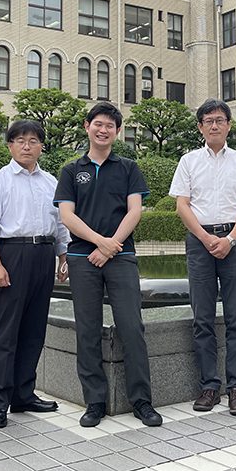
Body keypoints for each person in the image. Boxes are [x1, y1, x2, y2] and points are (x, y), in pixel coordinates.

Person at [55, 102, 162, 428]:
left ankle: (142, 400)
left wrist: (111, 245)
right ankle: (95, 402)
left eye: (110, 126)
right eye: (98, 124)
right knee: (87, 330)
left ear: (117, 131)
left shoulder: (128, 167)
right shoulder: (72, 170)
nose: (103, 130)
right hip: (82, 258)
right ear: (87, 126)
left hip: (121, 257)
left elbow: (135, 211)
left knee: (132, 327)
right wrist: (101, 243)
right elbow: (67, 215)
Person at [169, 99, 236, 415]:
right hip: (200, 242)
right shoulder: (188, 161)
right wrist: (208, 238)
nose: (214, 125)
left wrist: (232, 238)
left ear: (228, 125)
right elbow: (182, 205)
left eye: (220, 120)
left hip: (233, 242)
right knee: (203, 318)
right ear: (200, 126)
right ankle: (210, 386)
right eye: (208, 120)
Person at [0, 120, 70, 429]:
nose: (27, 146)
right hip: (11, 255)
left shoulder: (50, 182)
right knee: (6, 333)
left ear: (42, 146)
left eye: (33, 140)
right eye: (20, 140)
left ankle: (24, 394)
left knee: (33, 330)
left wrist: (63, 257)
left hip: (43, 254)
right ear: (10, 146)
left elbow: (60, 225)